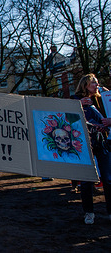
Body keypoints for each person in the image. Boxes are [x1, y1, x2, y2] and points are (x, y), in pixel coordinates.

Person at [71, 73, 111, 225]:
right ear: (85, 85)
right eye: (93, 83)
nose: (96, 85)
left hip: (103, 143)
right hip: (84, 145)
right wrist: (78, 105)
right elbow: (68, 118)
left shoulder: (103, 100)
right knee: (87, 180)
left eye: (97, 83)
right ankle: (89, 213)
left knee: (108, 178)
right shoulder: (75, 100)